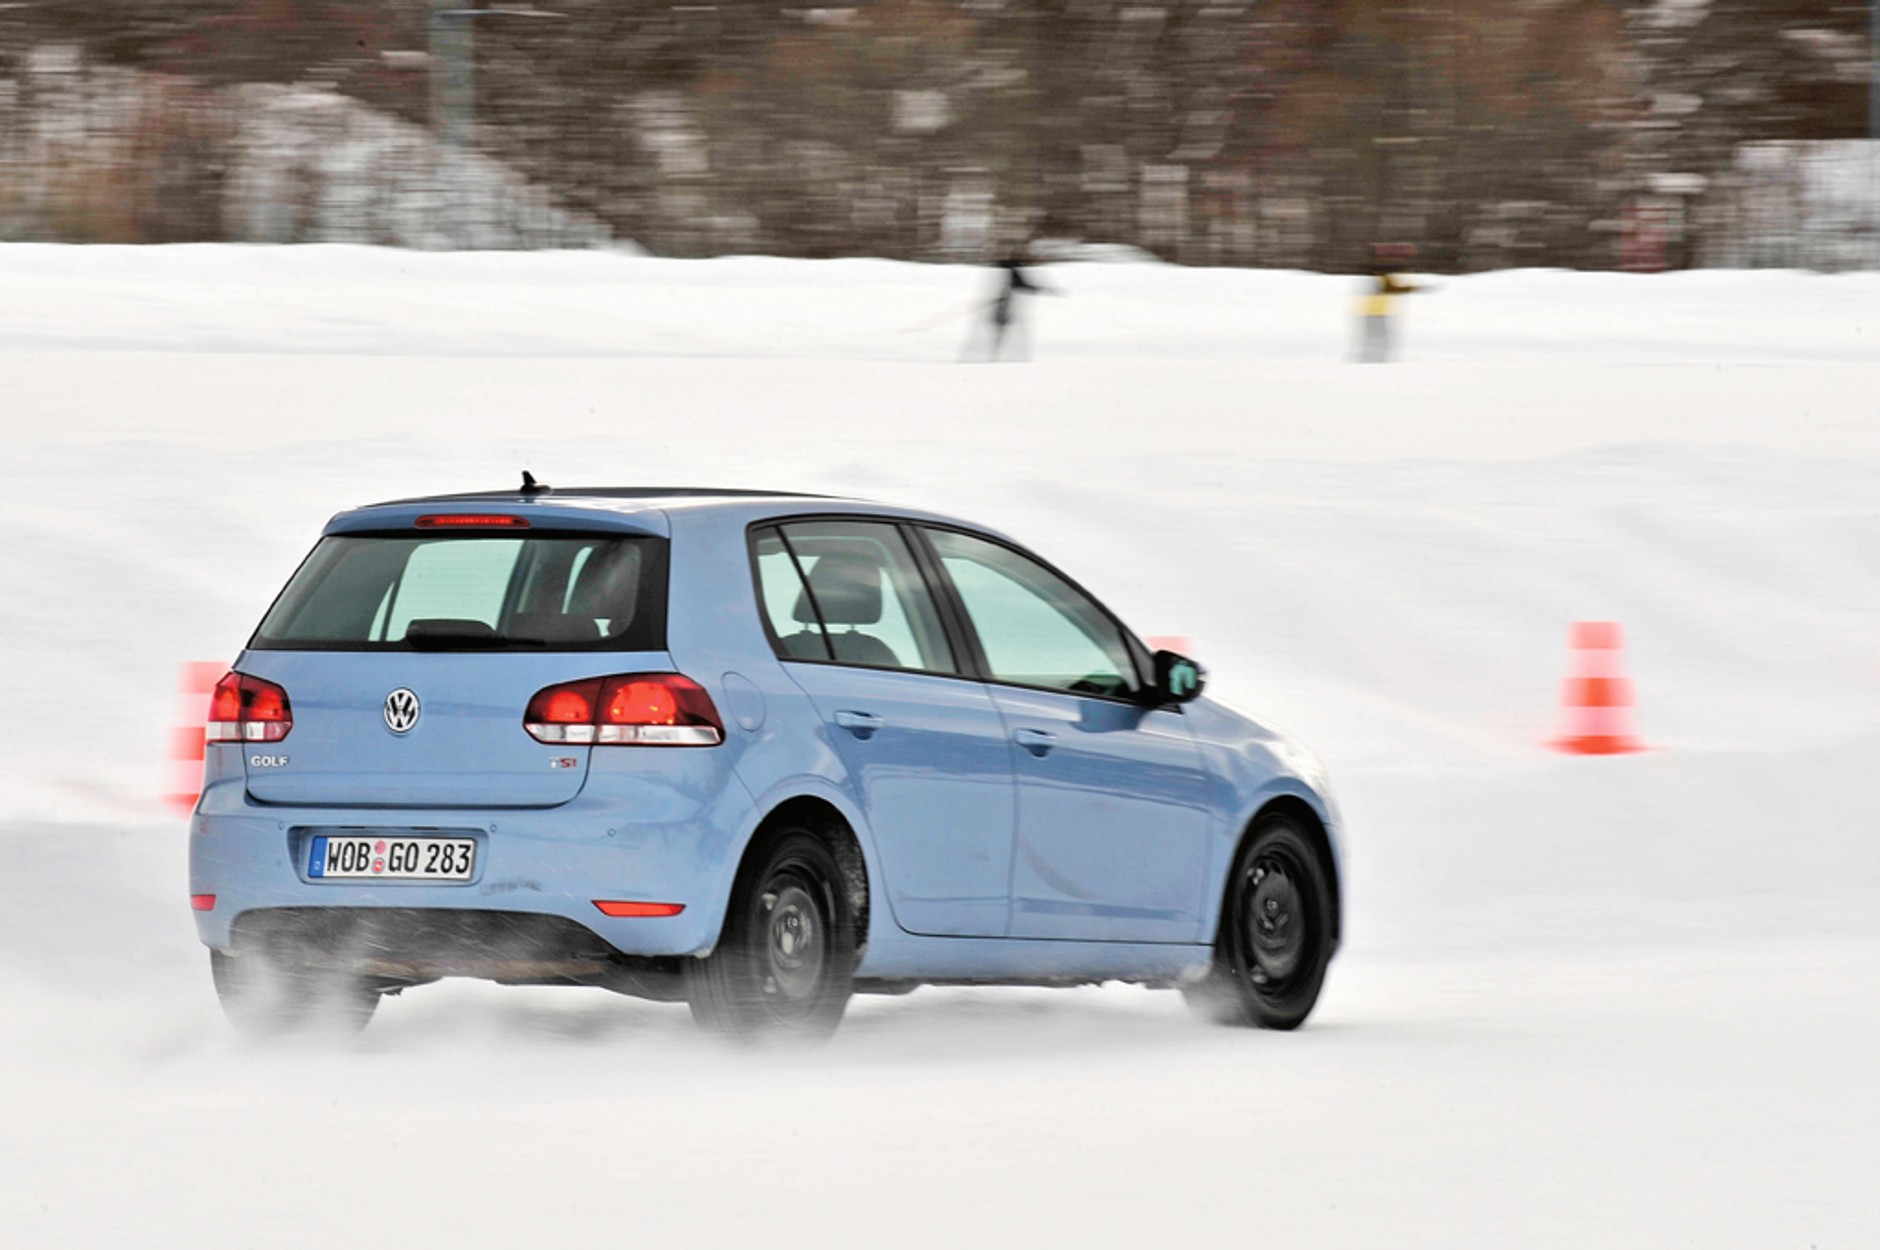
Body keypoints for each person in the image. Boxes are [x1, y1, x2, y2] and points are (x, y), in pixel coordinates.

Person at [967, 250, 1057, 362]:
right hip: (1004, 306)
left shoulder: (1005, 268)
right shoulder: (1012, 270)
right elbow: (1020, 285)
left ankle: (994, 355)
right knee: (1003, 331)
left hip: (1001, 305)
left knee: (1001, 331)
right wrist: (1044, 289)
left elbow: (1018, 285)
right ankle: (995, 356)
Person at [1356, 242, 1422, 363]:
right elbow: (1391, 288)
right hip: (1376, 311)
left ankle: (1371, 360)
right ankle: (1375, 362)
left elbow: (1390, 288)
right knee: (1382, 338)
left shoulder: (1378, 273)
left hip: (1375, 311)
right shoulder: (1380, 274)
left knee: (1375, 337)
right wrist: (1413, 288)